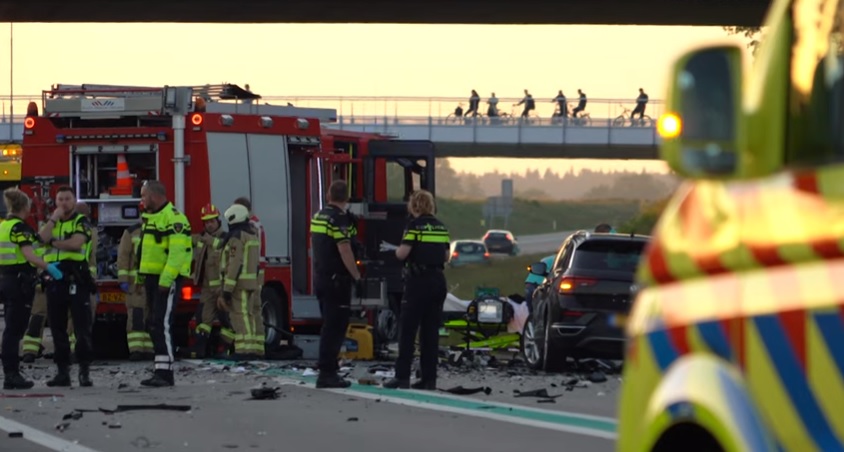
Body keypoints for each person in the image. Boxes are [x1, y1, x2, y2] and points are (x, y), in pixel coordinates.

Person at [383, 190, 450, 390]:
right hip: (438, 281)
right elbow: (446, 256)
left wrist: (395, 250)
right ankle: (429, 379)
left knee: (408, 331)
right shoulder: (441, 227)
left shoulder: (413, 226)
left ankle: (402, 376)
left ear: (414, 206)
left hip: (417, 282)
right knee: (430, 333)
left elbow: (403, 254)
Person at [0, 188, 63, 389]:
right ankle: (11, 375)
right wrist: (48, 267)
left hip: (6, 279)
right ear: (25, 207)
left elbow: (37, 242)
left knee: (10, 329)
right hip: (19, 282)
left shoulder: (4, 226)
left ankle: (11, 372)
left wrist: (53, 221)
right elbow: (29, 253)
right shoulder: (20, 228)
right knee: (14, 330)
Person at [38, 187, 95, 387]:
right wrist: (53, 219)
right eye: (60, 199)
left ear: (74, 201)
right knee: (57, 327)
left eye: (67, 199)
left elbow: (76, 243)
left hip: (76, 277)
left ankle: (84, 372)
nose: (64, 203)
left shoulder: (82, 221)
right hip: (55, 278)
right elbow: (40, 240)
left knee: (82, 327)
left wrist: (54, 242)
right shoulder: (51, 223)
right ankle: (63, 372)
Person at [137, 180, 192, 387]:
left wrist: (166, 280)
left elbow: (177, 255)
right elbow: (146, 251)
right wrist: (141, 277)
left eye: (144, 196)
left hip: (165, 279)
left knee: (162, 324)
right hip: (153, 279)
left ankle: (166, 373)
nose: (142, 200)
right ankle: (160, 369)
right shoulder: (152, 217)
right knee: (153, 323)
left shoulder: (174, 218)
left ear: (154, 195)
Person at [309, 180, 360, 389]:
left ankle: (328, 368)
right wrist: (357, 276)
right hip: (337, 281)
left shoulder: (318, 216)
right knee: (336, 327)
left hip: (321, 277)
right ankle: (328, 372)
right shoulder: (338, 219)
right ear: (346, 198)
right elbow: (344, 249)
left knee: (328, 325)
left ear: (329, 195)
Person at [217, 204, 263, 359]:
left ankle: (244, 350)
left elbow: (235, 263)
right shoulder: (251, 234)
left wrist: (227, 289)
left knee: (241, 315)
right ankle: (255, 348)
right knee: (250, 314)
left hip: (239, 284)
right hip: (250, 282)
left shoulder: (237, 237)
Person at [189, 203, 230, 358]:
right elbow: (188, 240)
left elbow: (221, 247)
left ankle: (224, 349)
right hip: (207, 289)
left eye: (212, 221)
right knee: (203, 320)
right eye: (206, 222)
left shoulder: (225, 239)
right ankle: (200, 350)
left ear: (218, 221)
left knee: (227, 321)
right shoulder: (202, 238)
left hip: (222, 288)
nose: (209, 224)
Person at [116, 202, 154, 361]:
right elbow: (123, 256)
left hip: (153, 281)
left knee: (151, 316)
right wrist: (123, 279)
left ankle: (150, 349)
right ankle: (136, 350)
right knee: (136, 316)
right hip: (135, 283)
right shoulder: (131, 232)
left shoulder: (159, 231)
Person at [233, 196, 266, 357]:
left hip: (250, 273)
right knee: (255, 311)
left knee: (245, 312)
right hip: (258, 273)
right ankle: (258, 347)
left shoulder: (249, 226)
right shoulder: (257, 223)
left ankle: (247, 348)